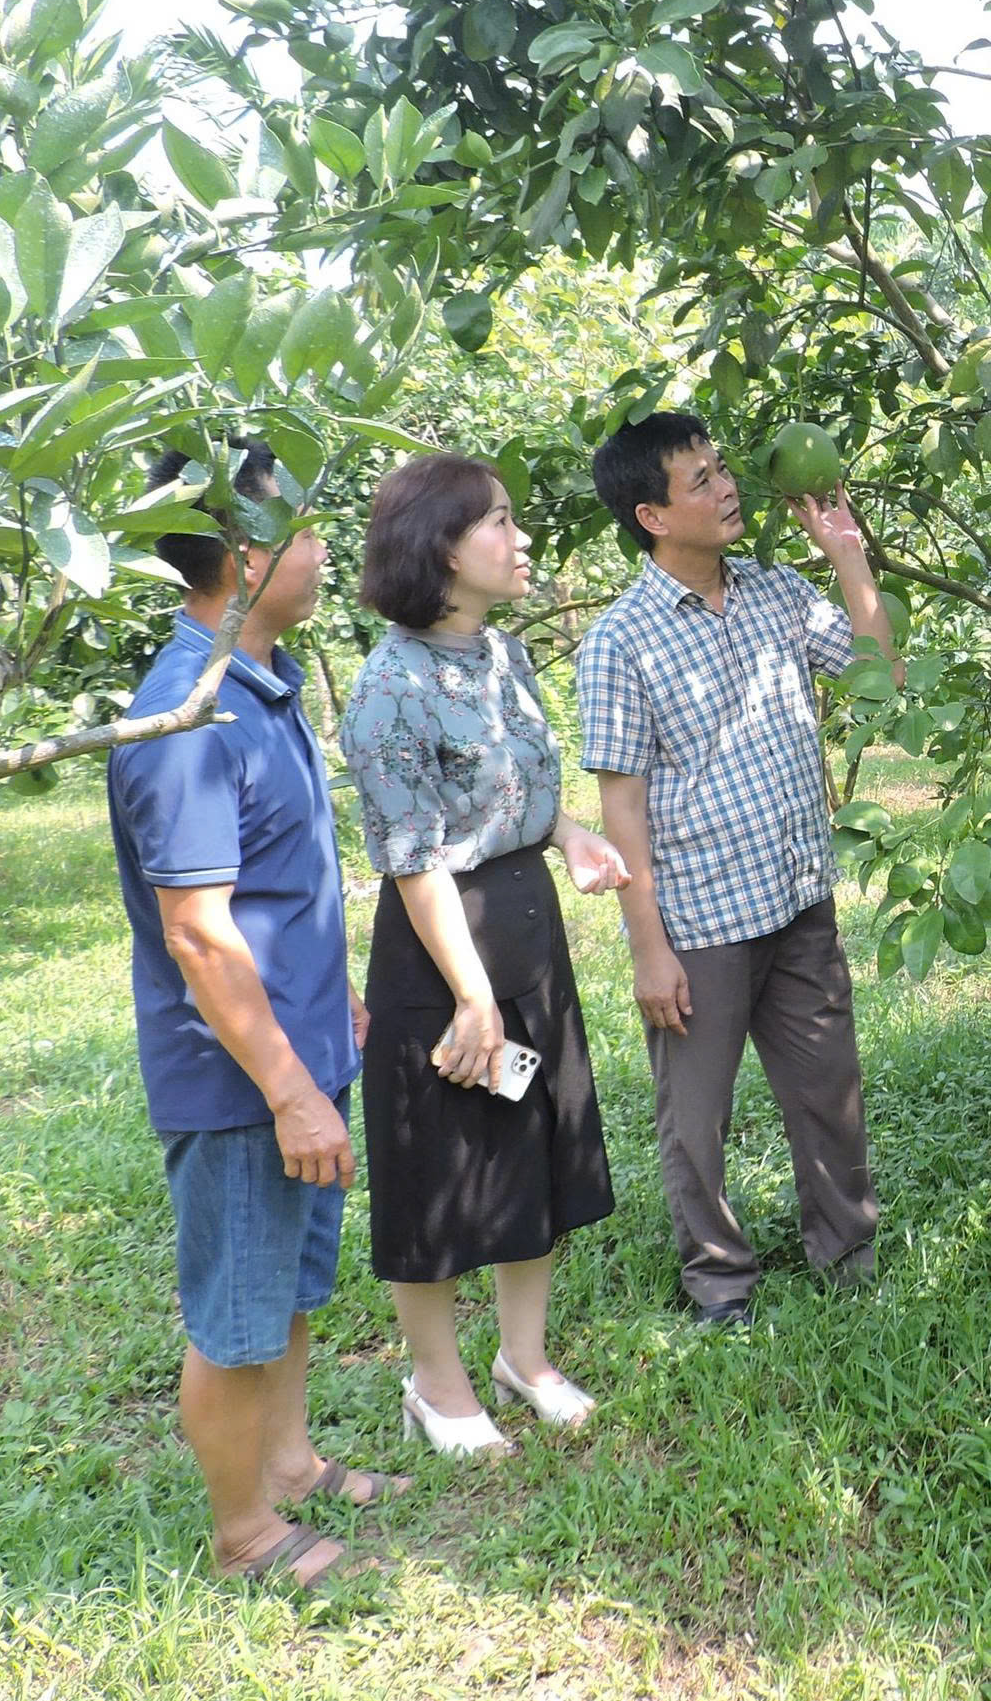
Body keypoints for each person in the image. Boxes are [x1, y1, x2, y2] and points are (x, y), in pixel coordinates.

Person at [107, 443, 404, 1591]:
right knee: (237, 1307)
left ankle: (289, 1460)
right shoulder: (190, 712)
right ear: (244, 555)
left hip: (299, 1046)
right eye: (306, 531)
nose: (325, 551)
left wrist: (335, 1008)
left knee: (285, 1282)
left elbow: (276, 885)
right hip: (241, 1078)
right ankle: (243, 1532)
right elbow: (199, 931)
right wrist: (285, 1084)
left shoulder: (257, 682)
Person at [339, 453, 628, 1456]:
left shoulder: (503, 656)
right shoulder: (387, 687)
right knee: (440, 1161)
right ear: (439, 546)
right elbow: (414, 858)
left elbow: (517, 791)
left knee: (533, 1143)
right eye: (499, 523)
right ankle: (434, 1379)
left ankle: (524, 1356)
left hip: (524, 926)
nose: (522, 539)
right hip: (440, 950)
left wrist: (571, 834)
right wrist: (470, 994)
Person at [576, 414, 894, 1327]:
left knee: (828, 1089)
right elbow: (621, 805)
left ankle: (849, 1253)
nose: (727, 487)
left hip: (796, 894)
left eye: (721, 469)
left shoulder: (776, 592)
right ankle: (719, 1282)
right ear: (652, 515)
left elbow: (881, 677)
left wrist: (849, 559)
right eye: (700, 480)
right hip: (701, 918)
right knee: (696, 1120)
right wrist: (648, 947)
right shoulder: (621, 639)